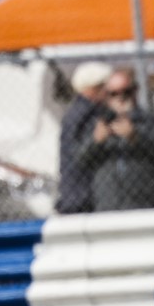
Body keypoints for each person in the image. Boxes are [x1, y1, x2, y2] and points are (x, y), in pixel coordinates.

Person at [77, 68, 154, 211]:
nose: (120, 98)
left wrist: (135, 136)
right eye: (114, 94)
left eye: (126, 92)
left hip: (144, 206)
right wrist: (96, 141)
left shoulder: (150, 122)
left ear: (134, 92)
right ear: (107, 96)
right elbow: (80, 160)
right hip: (109, 206)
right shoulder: (98, 125)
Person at [55, 60, 111, 213]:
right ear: (93, 89)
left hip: (75, 194)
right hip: (83, 196)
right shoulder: (86, 115)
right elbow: (80, 154)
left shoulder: (77, 112)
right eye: (104, 86)